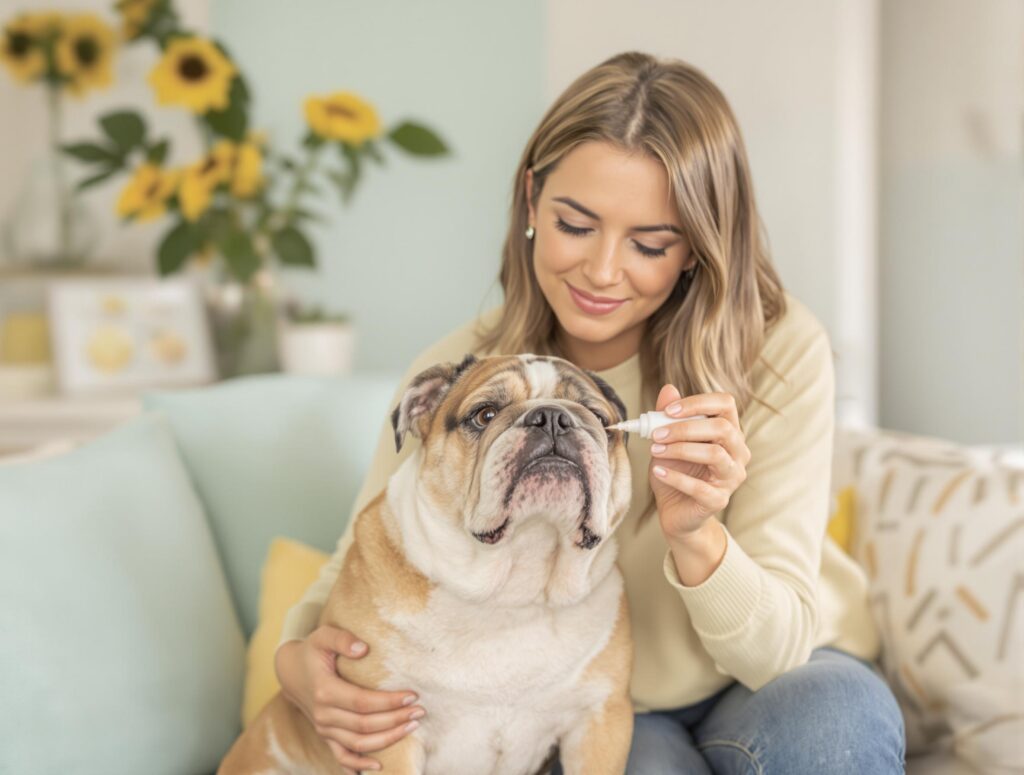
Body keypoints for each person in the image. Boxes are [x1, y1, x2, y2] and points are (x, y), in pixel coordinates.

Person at [272, 51, 906, 774]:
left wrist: (695, 534)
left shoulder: (779, 350)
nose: (603, 272)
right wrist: (297, 665)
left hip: (779, 669)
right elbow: (368, 553)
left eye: (649, 243)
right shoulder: (460, 379)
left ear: (696, 248)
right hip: (595, 697)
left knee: (834, 727)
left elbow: (773, 650)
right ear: (532, 199)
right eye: (576, 223)